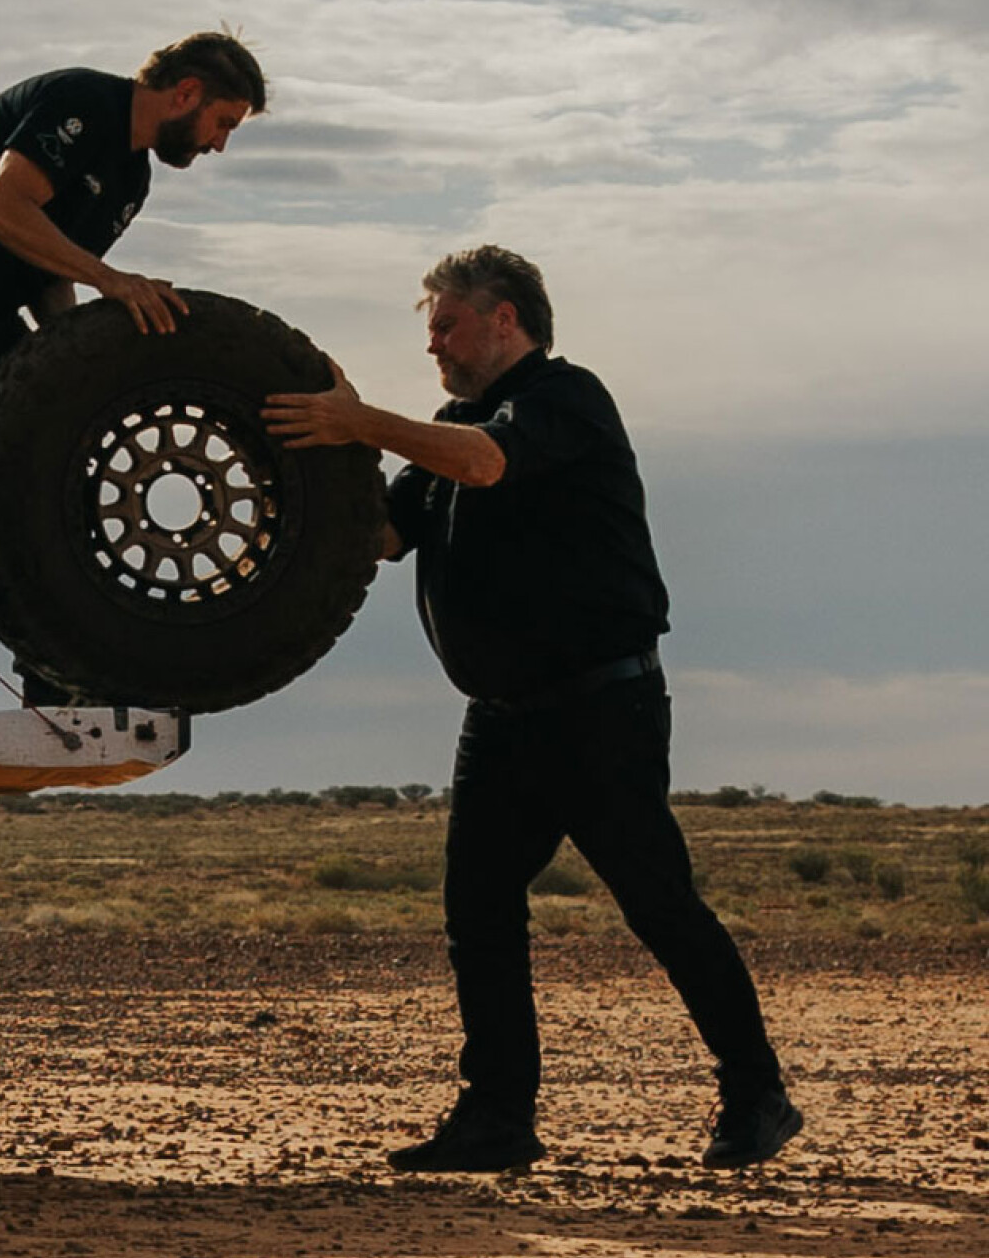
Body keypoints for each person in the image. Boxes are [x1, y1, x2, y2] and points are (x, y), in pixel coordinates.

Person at [264, 245, 797, 1174]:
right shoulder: (445, 425)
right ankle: (498, 1118)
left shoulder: (565, 399)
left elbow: (483, 464)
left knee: (659, 904)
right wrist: (299, 481)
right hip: (502, 717)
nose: (432, 342)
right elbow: (386, 536)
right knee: (478, 910)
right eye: (428, 327)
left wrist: (365, 422)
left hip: (602, 705)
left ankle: (757, 1094)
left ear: (504, 318)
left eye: (446, 322)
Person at [0, 35, 266, 565]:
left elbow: (50, 271)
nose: (219, 145)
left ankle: (44, 634)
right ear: (186, 92)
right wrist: (111, 280)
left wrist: (71, 362)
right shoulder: (83, 102)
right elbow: (0, 209)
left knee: (39, 443)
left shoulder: (133, 178)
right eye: (223, 123)